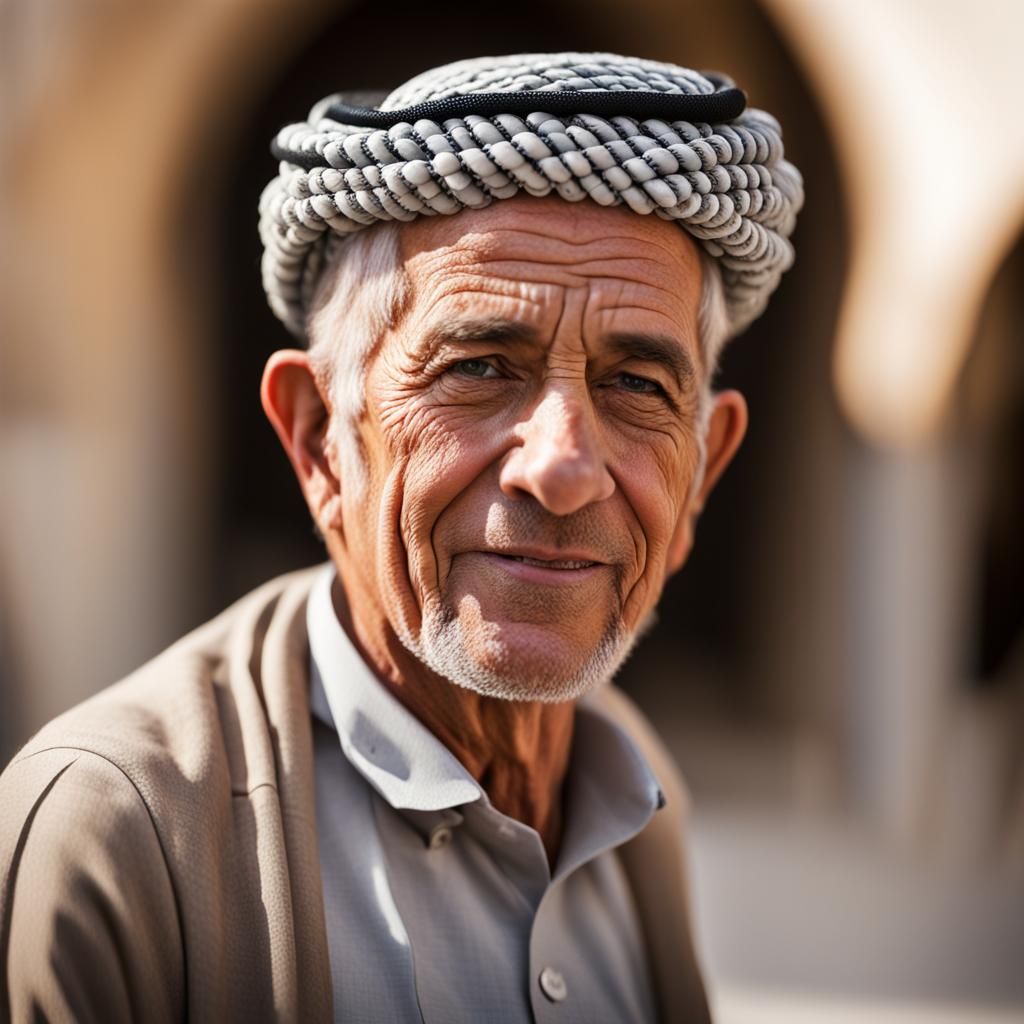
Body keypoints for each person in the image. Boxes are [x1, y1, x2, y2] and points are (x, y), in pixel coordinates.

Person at [0, 53, 801, 1023]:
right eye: (478, 368)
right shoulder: (119, 833)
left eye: (635, 386)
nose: (560, 466)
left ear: (701, 473)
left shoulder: (630, 792)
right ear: (318, 439)